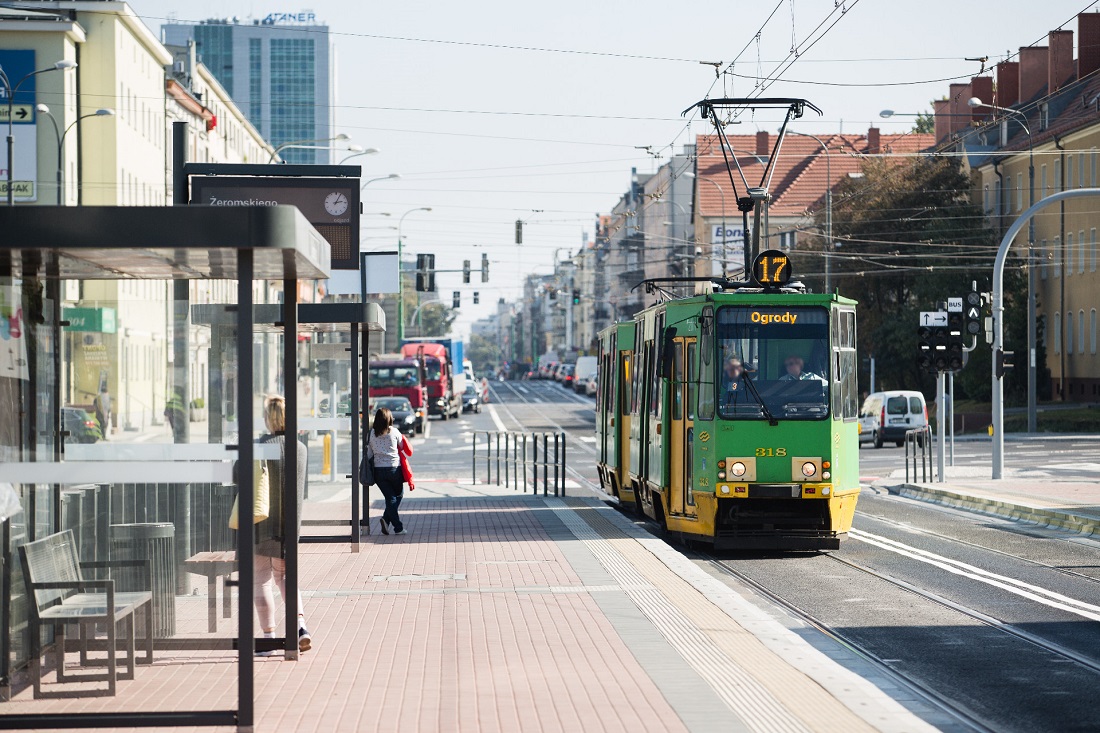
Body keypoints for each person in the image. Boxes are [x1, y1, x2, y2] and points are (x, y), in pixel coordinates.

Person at [253, 395, 311, 654]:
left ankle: (269, 639)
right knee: (285, 577)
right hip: (289, 529)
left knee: (261, 580)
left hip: (261, 524)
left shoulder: (259, 447)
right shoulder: (300, 448)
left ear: (268, 418)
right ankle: (300, 627)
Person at [367, 407, 414, 535]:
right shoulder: (394, 432)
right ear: (389, 419)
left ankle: (386, 520)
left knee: (390, 498)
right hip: (394, 469)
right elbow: (402, 446)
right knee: (397, 496)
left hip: (378, 471)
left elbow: (369, 454)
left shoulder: (371, 433)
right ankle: (397, 527)